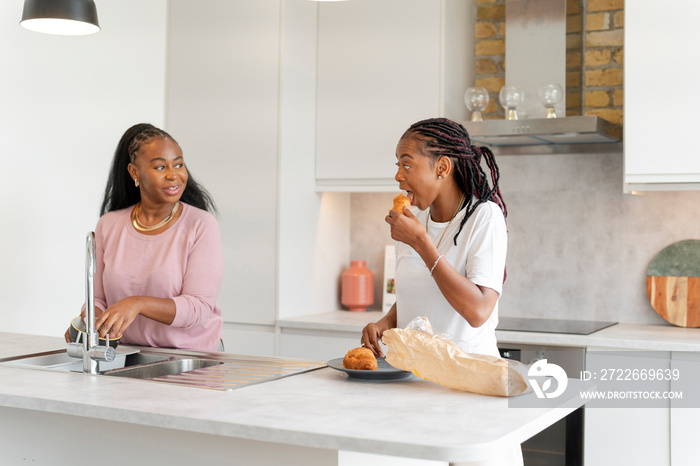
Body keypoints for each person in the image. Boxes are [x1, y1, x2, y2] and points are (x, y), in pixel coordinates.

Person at [64, 123, 223, 352]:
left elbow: (199, 307)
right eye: (160, 167)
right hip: (126, 354)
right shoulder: (109, 225)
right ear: (134, 172)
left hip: (191, 358)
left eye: (178, 164)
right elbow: (98, 300)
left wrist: (137, 303)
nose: (173, 175)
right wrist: (91, 323)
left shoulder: (200, 225)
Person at [361, 117, 507, 359]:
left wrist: (421, 243)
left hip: (467, 381)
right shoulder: (413, 218)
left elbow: (478, 312)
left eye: (407, 166)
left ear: (442, 168)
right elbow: (419, 297)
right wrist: (384, 323)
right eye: (397, 165)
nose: (398, 175)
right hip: (413, 376)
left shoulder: (484, 217)